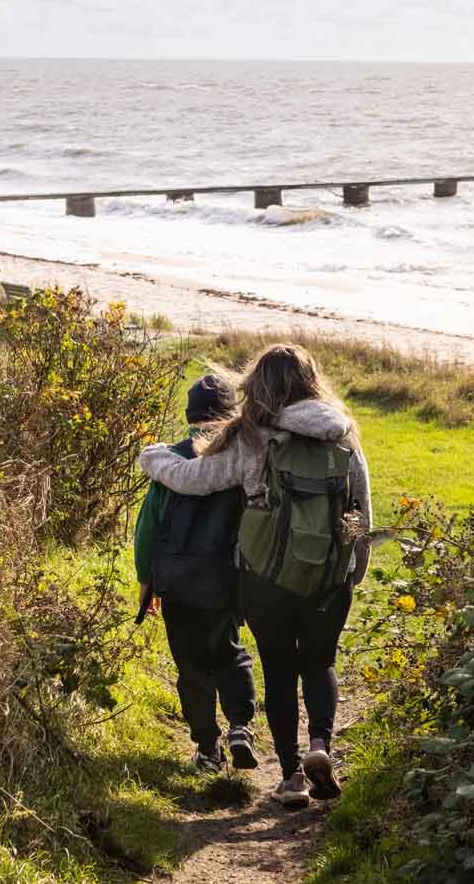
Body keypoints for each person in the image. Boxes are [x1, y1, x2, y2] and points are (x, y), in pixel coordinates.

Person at [137, 344, 372, 809]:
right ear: (311, 378)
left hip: (265, 578)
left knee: (280, 670)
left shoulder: (252, 435)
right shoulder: (343, 433)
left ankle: (290, 778)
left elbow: (195, 478)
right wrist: (352, 568)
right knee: (321, 663)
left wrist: (153, 457)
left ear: (260, 384)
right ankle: (320, 745)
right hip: (328, 575)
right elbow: (360, 508)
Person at [135, 375, 260, 773]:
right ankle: (240, 726)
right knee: (229, 651)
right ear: (232, 413)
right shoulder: (239, 460)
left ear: (190, 415)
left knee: (190, 664)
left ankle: (207, 747)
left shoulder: (170, 460)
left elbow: (148, 528)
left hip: (176, 581)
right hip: (224, 579)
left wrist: (146, 581)